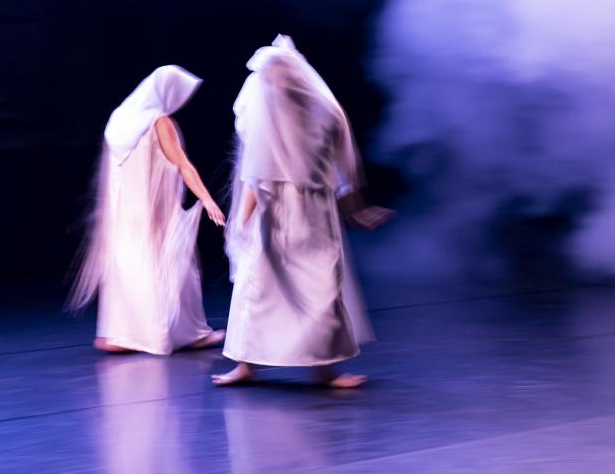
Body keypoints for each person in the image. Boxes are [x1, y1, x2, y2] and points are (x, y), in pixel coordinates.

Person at [213, 36, 391, 388]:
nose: (272, 85)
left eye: (277, 77)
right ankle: (246, 365)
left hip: (315, 216)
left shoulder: (324, 113)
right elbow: (255, 175)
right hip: (274, 214)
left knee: (322, 286)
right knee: (258, 285)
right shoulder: (268, 118)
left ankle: (325, 368)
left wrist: (357, 209)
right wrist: (242, 222)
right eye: (270, 79)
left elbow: (344, 169)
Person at [68, 65, 226, 355]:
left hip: (124, 216)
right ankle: (176, 333)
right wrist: (207, 199)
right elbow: (182, 165)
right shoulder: (159, 122)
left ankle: (123, 332)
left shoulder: (119, 120)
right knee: (174, 266)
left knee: (128, 268)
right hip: (153, 214)